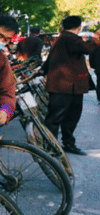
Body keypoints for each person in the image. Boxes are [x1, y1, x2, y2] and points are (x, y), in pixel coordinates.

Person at [43, 16, 100, 156]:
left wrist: (42, 71)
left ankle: (66, 143)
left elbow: (50, 59)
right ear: (78, 27)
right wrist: (96, 39)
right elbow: (86, 49)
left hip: (70, 86)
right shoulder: (69, 38)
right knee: (56, 118)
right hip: (64, 86)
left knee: (70, 117)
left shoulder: (63, 38)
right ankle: (50, 148)